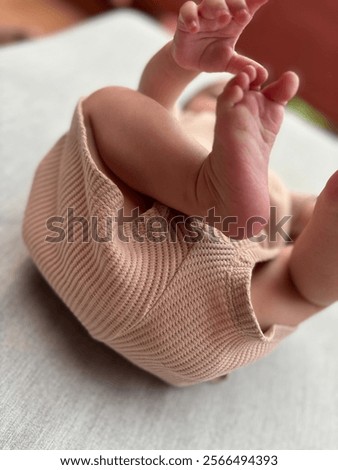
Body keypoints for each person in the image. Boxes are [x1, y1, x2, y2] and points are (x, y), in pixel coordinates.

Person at [23, 0, 338, 386]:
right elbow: (154, 110)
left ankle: (305, 207)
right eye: (220, 98)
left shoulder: (266, 184)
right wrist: (181, 64)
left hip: (100, 256)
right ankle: (216, 192)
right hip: (202, 333)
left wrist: (313, 211)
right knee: (300, 289)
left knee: (108, 107)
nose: (232, 105)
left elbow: (147, 113)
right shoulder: (180, 129)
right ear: (195, 107)